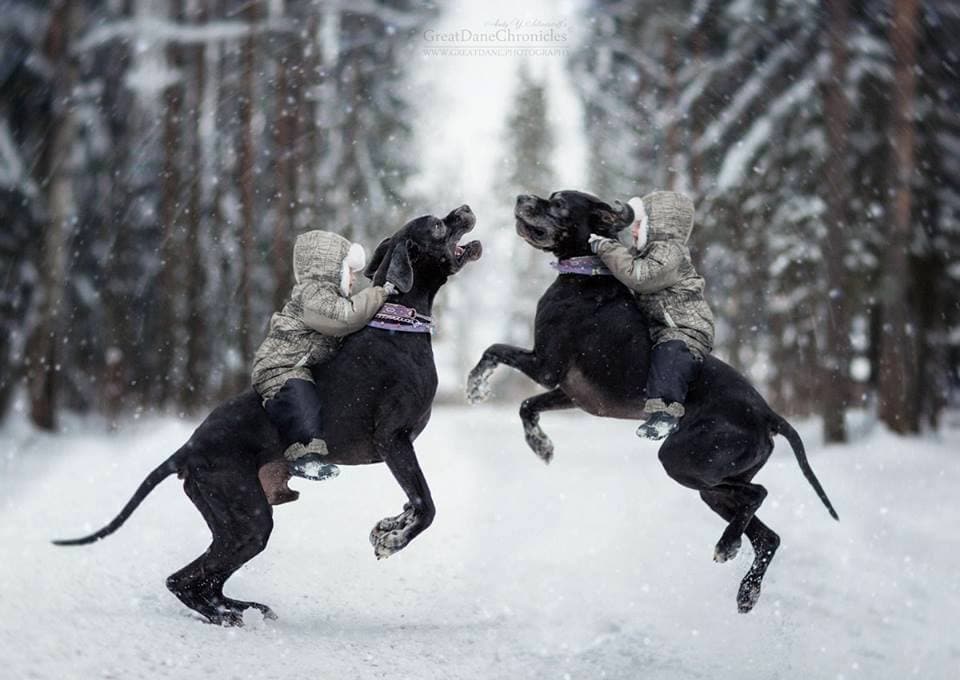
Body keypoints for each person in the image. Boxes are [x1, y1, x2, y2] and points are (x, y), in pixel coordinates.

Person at [251, 230, 393, 504]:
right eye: (349, 272)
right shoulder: (313, 294)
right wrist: (380, 293)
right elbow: (346, 318)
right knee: (300, 399)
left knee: (312, 393)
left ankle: (272, 475)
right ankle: (305, 456)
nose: (352, 279)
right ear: (332, 270)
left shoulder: (324, 296)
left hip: (302, 364)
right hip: (281, 367)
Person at [589, 191, 715, 440]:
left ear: (658, 227)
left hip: (685, 328)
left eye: (639, 226)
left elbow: (639, 278)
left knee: (669, 356)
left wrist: (606, 247)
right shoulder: (650, 252)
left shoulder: (670, 253)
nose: (633, 232)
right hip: (658, 327)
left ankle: (665, 415)